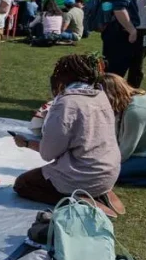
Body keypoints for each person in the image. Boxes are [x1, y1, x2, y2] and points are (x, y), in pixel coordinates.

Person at [12, 54, 123, 216]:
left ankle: (76, 199)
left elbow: (48, 153)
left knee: (23, 184)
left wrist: (28, 143)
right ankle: (99, 191)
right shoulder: (100, 95)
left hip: (82, 174)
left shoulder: (67, 103)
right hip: (110, 171)